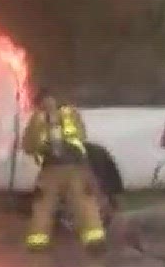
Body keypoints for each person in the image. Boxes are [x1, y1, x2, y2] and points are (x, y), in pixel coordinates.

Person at [21, 92, 107, 253]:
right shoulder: (62, 114)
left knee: (50, 205)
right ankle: (93, 241)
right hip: (64, 168)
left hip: (61, 168)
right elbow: (81, 135)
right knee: (76, 203)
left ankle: (39, 242)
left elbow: (28, 146)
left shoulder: (47, 117)